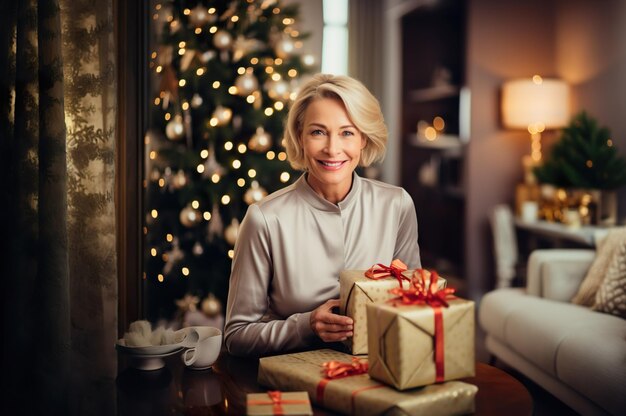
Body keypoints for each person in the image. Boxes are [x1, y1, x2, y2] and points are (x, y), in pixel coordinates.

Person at [224, 73, 421, 357]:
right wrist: (306, 326)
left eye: (347, 132)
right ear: (300, 137)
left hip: (379, 374)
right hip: (293, 383)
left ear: (363, 139)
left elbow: (414, 302)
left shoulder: (397, 205)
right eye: (318, 132)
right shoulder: (265, 218)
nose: (332, 148)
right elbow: (236, 336)